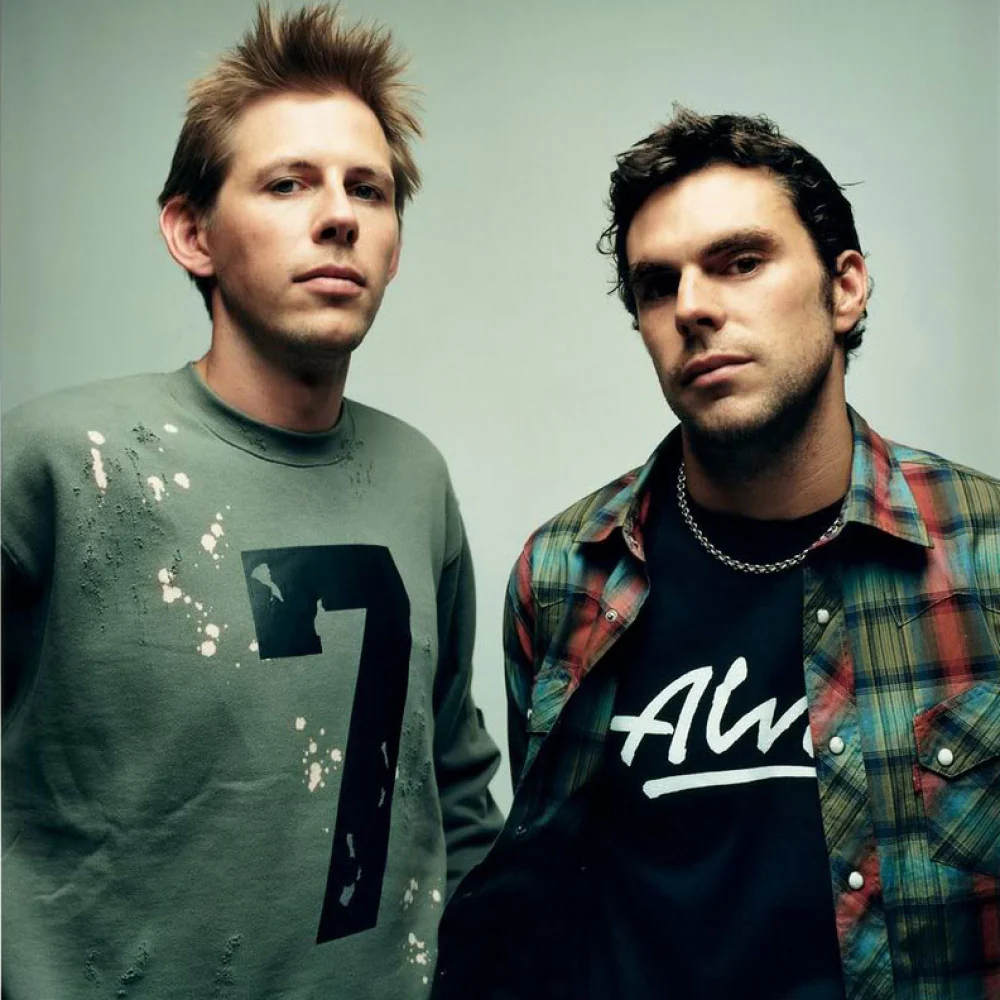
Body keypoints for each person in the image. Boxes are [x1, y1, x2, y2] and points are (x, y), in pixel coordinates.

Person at [433, 108, 1000, 999]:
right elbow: (540, 908)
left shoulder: (983, 555)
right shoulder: (567, 576)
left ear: (845, 289)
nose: (693, 307)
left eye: (740, 261)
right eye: (658, 285)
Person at [2, 5, 502, 997]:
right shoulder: (59, 461)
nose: (339, 215)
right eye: (288, 183)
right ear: (192, 233)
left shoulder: (415, 476)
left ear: (393, 247)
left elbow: (454, 783)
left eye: (367, 189)